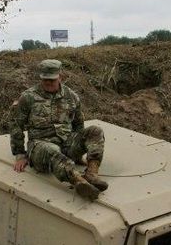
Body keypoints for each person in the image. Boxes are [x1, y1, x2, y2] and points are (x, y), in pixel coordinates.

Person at [10, 59, 108, 200]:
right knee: (52, 150)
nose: (48, 83)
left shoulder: (72, 96)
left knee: (95, 131)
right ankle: (78, 181)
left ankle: (91, 174)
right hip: (40, 145)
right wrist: (19, 154)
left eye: (52, 80)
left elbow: (78, 124)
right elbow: (16, 125)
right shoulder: (28, 97)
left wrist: (79, 150)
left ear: (60, 77)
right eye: (45, 80)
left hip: (66, 143)